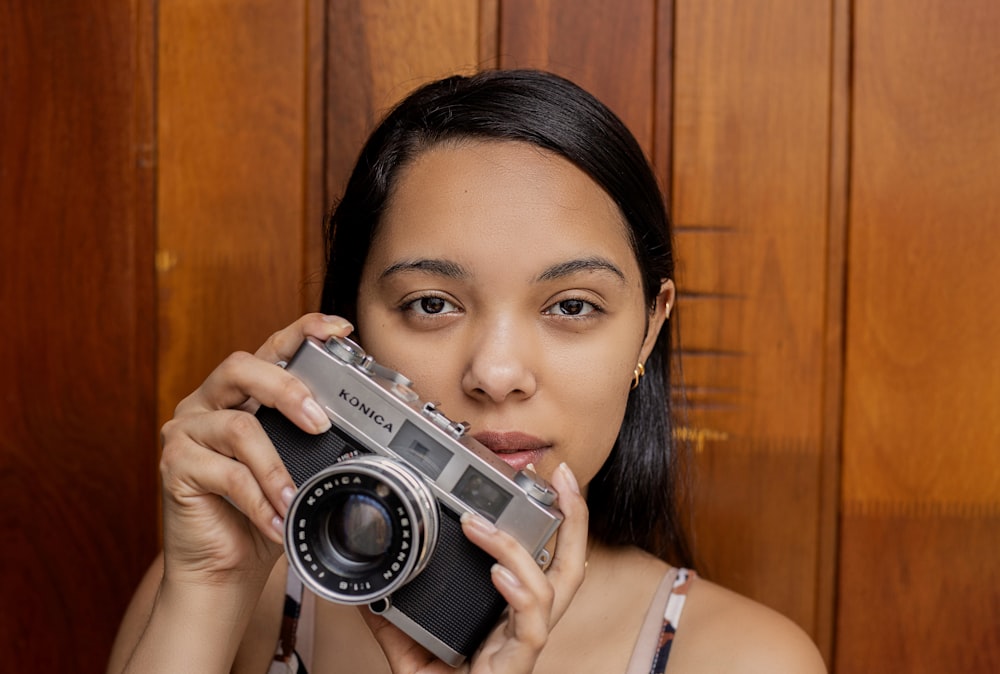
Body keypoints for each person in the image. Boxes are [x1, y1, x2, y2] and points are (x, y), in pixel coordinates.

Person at [108, 69, 826, 673]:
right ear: (348, 326)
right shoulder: (245, 592)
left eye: (572, 305)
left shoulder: (740, 658)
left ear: (649, 329)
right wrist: (207, 588)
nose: (497, 372)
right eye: (431, 303)